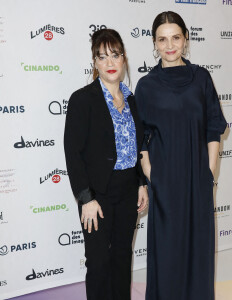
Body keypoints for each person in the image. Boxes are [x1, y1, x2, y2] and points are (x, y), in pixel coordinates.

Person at [135, 11, 227, 300]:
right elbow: (142, 136)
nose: (170, 45)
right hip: (165, 180)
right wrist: (151, 172)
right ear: (154, 43)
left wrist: (209, 171)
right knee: (168, 249)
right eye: (162, 39)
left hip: (197, 177)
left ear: (186, 39)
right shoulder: (146, 85)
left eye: (175, 37)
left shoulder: (201, 77)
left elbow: (214, 126)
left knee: (199, 248)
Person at [64, 28, 148, 300]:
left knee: (122, 257)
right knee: (98, 262)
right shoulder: (82, 99)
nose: (110, 63)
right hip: (96, 193)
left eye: (115, 55)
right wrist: (86, 198)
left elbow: (138, 148)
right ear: (95, 63)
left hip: (127, 191)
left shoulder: (133, 100)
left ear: (124, 59)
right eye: (102, 57)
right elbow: (73, 152)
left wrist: (141, 184)